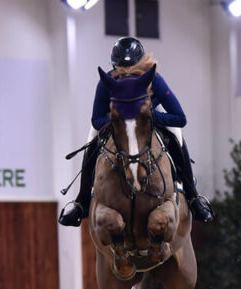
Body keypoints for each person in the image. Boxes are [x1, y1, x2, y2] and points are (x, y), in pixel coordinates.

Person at [58, 37, 214, 227]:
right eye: (122, 72)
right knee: (91, 140)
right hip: (117, 125)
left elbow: (180, 117)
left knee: (177, 134)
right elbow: (97, 120)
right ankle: (81, 201)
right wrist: (121, 121)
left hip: (149, 121)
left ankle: (192, 196)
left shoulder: (154, 79)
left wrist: (147, 118)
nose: (126, 76)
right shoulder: (106, 83)